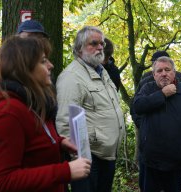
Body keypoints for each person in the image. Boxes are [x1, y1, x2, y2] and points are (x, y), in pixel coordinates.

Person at [0, 36, 91, 192]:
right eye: (43, 61)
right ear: (24, 67)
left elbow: (32, 144)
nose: (51, 65)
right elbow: (1, 182)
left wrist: (60, 143)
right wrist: (65, 171)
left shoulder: (33, 104)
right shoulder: (9, 113)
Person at [55, 26, 125, 192]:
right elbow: (65, 122)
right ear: (79, 49)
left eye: (101, 43)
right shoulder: (71, 77)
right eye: (93, 43)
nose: (100, 47)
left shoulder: (101, 71)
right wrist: (78, 159)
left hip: (107, 154)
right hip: (88, 159)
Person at [134, 56, 181, 192]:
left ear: (174, 72)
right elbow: (137, 107)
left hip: (177, 162)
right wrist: (162, 94)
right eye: (159, 71)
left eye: (167, 70)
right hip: (150, 161)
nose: (164, 73)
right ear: (154, 75)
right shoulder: (147, 89)